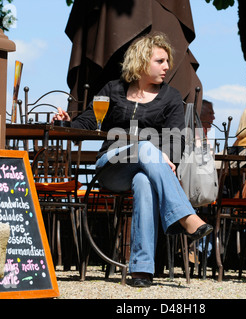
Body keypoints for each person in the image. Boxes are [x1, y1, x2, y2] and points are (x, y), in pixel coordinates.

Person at [52, 33, 213, 287]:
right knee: (147, 147)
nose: (167, 66)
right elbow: (87, 122)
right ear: (141, 62)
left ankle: (141, 270)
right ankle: (186, 217)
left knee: (144, 182)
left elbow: (176, 142)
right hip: (111, 165)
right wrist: (67, 122)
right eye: (160, 61)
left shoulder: (170, 97)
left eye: (167, 61)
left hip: (149, 169)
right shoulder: (112, 90)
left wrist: (163, 157)